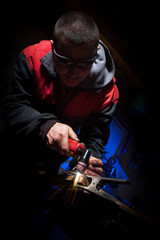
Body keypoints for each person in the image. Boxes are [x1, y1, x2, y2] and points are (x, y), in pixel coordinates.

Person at [2, 11, 119, 238]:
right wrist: (46, 125)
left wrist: (91, 159)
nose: (73, 73)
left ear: (96, 53)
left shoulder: (108, 94)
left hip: (44, 172)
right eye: (65, 61)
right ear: (54, 46)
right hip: (7, 151)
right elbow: (11, 106)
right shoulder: (32, 58)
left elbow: (95, 137)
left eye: (84, 64)